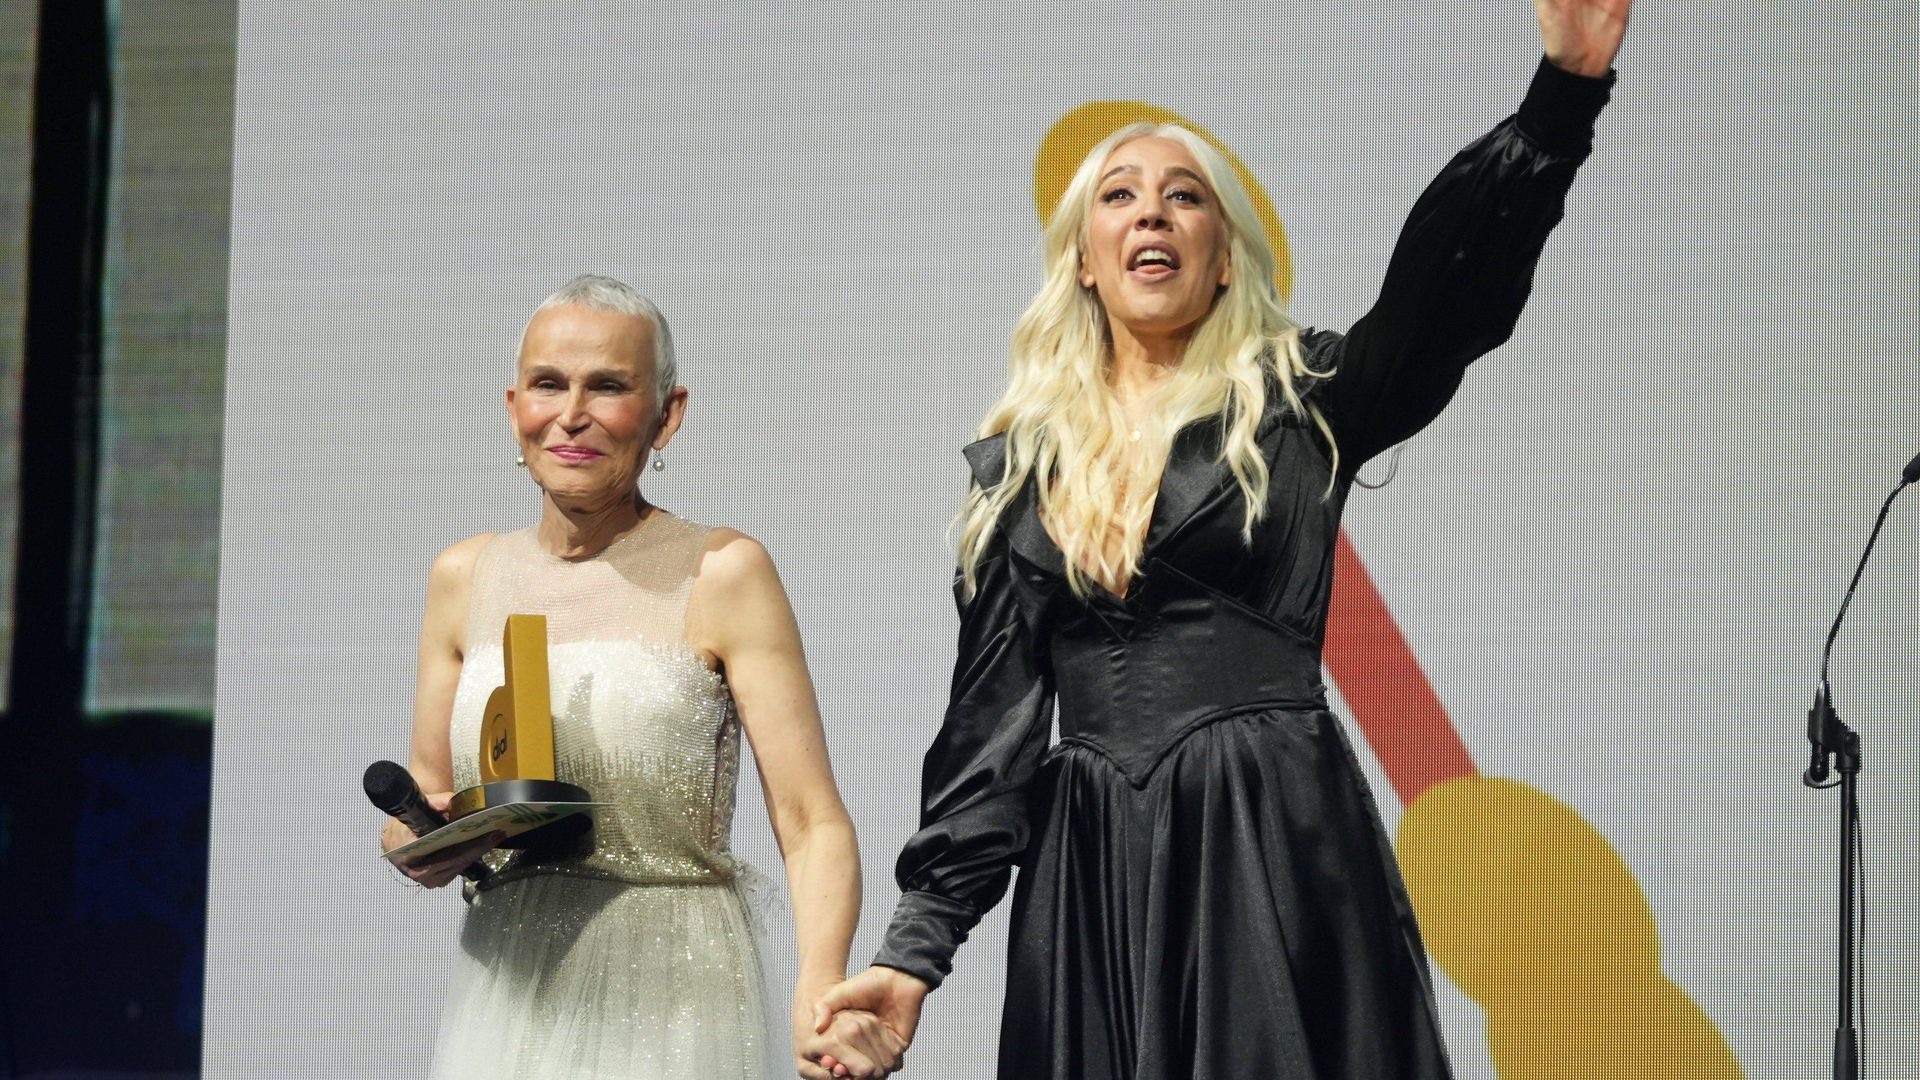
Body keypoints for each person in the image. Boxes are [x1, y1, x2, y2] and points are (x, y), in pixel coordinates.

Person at [811, 3, 1633, 1077]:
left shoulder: (1305, 405)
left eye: (1184, 196)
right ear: (1087, 265)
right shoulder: (1018, 482)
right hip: (1096, 885)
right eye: (1120, 196)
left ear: (1224, 259)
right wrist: (911, 958)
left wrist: (1559, 104)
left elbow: (1445, 302)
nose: (1152, 212)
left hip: (1272, 850)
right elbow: (987, 748)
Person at [380, 275, 899, 1078]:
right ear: (513, 405)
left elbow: (810, 819)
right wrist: (421, 838)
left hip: (673, 993)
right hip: (507, 993)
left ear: (668, 414)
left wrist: (820, 984)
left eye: (609, 386)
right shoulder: (463, 576)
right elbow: (423, 790)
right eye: (549, 385)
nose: (572, 414)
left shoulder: (723, 572)